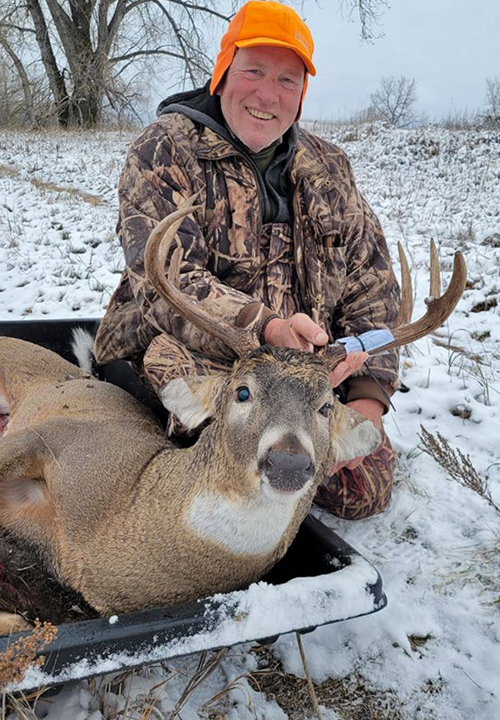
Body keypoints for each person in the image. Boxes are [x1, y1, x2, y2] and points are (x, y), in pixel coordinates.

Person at [93, 0, 400, 520]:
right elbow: (166, 280)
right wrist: (268, 327)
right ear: (222, 72)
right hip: (196, 355)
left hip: (304, 374)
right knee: (216, 462)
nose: (267, 95)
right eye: (253, 70)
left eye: (287, 80)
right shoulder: (165, 149)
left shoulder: (328, 168)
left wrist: (366, 395)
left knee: (360, 490)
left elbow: (372, 286)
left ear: (301, 96)